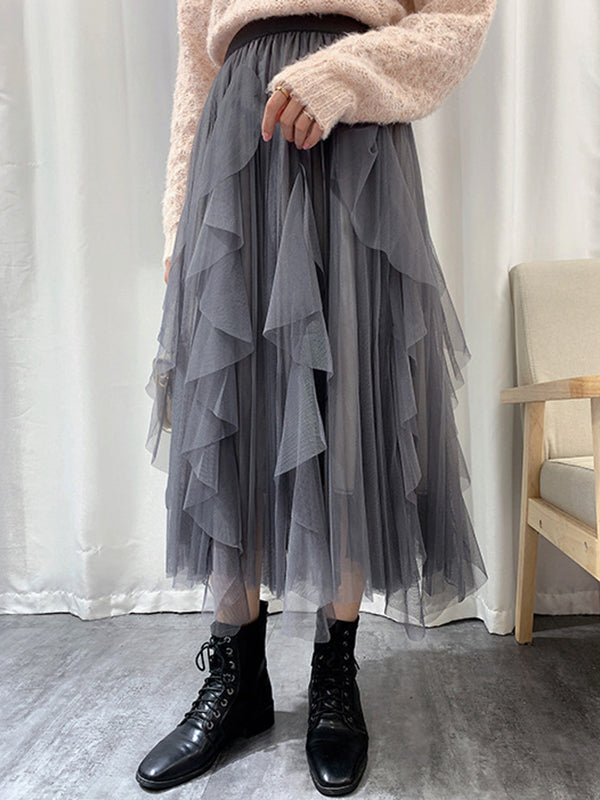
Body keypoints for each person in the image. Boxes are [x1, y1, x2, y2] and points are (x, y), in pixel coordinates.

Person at [138, 0, 496, 795]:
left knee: (349, 400)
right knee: (233, 409)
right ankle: (237, 681)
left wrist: (348, 72)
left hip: (354, 147)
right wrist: (179, 215)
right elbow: (196, 63)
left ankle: (335, 672)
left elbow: (459, 20)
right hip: (236, 148)